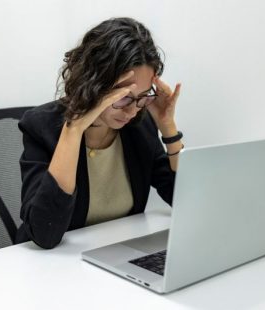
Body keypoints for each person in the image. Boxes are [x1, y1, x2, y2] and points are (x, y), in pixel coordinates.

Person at [15, 17, 183, 249]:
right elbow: (45, 233)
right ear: (93, 83)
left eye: (143, 97)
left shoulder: (138, 126)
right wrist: (74, 130)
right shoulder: (41, 126)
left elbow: (185, 201)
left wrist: (168, 128)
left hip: (115, 255)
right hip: (51, 266)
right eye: (123, 96)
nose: (132, 110)